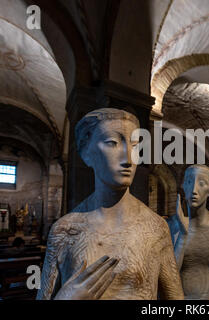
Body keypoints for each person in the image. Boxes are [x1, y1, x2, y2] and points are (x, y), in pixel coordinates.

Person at [37, 108, 184, 300]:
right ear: (86, 151)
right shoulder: (65, 231)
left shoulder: (156, 228)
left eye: (134, 145)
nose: (127, 158)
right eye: (112, 143)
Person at [168, 165, 209, 300]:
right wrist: (182, 235)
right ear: (183, 186)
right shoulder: (171, 225)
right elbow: (169, 275)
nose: (194, 190)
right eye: (190, 182)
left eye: (202, 183)